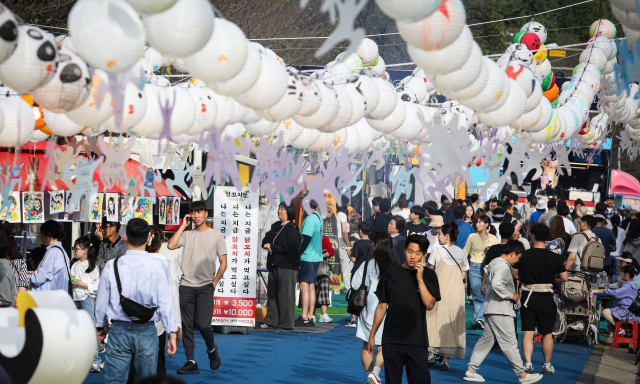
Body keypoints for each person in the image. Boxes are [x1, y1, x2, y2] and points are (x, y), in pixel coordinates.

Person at [95, 218, 178, 383]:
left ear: (125, 237)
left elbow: (101, 300)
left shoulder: (112, 265)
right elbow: (166, 303)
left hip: (118, 329)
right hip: (147, 330)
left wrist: (99, 325)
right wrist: (172, 332)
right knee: (146, 380)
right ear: (148, 238)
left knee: (114, 381)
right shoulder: (157, 267)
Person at [464, 240, 543, 384]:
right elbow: (496, 284)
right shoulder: (503, 266)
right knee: (510, 343)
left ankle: (471, 370)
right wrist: (511, 295)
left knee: (486, 341)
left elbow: (492, 281)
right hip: (501, 310)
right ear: (513, 254)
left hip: (493, 308)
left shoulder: (494, 262)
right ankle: (522, 374)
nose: (517, 261)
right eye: (518, 257)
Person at [368, 234, 441, 384]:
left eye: (418, 252)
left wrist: (420, 279)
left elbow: (430, 305)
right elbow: (381, 307)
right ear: (404, 250)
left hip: (417, 339)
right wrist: (372, 335)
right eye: (409, 251)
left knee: (421, 380)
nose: (413, 256)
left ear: (424, 254)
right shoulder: (390, 274)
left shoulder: (429, 275)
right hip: (392, 338)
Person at [167, 200, 227, 373]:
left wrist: (213, 283)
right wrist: (182, 226)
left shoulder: (216, 236)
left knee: (204, 325)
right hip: (186, 285)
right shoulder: (187, 235)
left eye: (199, 212)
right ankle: (191, 362)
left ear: (206, 214)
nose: (195, 216)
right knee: (187, 326)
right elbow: (171, 245)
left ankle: (212, 349)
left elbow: (224, 263)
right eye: (192, 212)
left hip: (205, 287)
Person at [517, 223, 568, 376]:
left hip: (528, 296)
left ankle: (527, 364)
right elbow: (564, 277)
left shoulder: (524, 255)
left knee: (528, 332)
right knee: (547, 333)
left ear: (532, 236)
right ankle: (547, 365)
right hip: (546, 296)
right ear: (547, 238)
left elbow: (515, 274)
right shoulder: (554, 256)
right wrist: (550, 279)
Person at [353, 232, 400, 384]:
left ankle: (370, 376)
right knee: (384, 346)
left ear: (375, 246)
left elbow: (354, 284)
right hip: (388, 309)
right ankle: (375, 373)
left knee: (367, 346)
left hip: (367, 308)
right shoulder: (396, 266)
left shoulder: (367, 264)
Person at [426, 222, 468, 371]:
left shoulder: (437, 251)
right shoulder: (461, 252)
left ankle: (431, 353)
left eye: (440, 234)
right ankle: (446, 359)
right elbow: (463, 273)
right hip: (456, 293)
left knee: (434, 320)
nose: (438, 237)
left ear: (447, 236)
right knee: (452, 323)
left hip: (440, 291)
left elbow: (429, 269)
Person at [144, 226, 182, 378]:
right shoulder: (165, 263)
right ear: (160, 243)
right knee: (158, 359)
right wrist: (176, 324)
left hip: (129, 320)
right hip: (156, 320)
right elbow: (173, 295)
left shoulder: (125, 261)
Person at [257, 202, 301, 330]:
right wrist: (268, 246)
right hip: (274, 264)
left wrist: (274, 248)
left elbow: (293, 246)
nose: (279, 211)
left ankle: (286, 323)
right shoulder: (275, 226)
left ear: (289, 212)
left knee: (285, 295)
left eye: (282, 209)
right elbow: (265, 240)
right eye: (279, 209)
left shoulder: (292, 228)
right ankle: (271, 320)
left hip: (287, 266)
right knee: (272, 295)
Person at [70, 236, 102, 373]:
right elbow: (72, 279)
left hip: (87, 299)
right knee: (78, 330)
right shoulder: (75, 264)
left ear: (85, 251)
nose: (74, 251)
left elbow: (96, 286)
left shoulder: (93, 266)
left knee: (90, 329)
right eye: (74, 249)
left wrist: (82, 284)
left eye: (76, 249)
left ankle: (95, 360)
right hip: (76, 298)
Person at [464, 215, 499, 329]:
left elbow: (497, 254)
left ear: (486, 224)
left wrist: (490, 251)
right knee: (477, 293)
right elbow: (465, 252)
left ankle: (485, 319)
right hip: (474, 266)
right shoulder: (472, 236)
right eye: (476, 222)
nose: (477, 224)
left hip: (488, 268)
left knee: (487, 294)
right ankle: (479, 319)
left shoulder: (493, 238)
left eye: (480, 222)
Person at [293, 200, 324, 327]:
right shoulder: (318, 217)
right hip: (316, 256)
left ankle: (304, 315)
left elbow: (306, 238)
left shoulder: (310, 218)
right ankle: (310, 316)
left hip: (307, 256)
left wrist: (298, 253)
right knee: (311, 287)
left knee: (304, 286)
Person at [30, 220, 69, 292]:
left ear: (48, 234)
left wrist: (27, 277)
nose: (41, 238)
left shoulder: (53, 252)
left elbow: (39, 278)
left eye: (40, 234)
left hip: (50, 298)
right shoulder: (61, 251)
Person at [602, 265, 640, 335]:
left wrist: (606, 290)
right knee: (610, 326)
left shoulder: (628, 285)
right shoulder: (630, 284)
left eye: (622, 273)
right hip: (627, 309)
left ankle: (621, 329)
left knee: (605, 312)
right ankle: (625, 337)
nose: (621, 275)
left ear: (627, 274)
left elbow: (617, 293)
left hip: (626, 310)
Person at [481, 222, 515, 296]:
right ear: (512, 234)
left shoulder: (493, 249)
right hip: (510, 285)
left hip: (493, 284)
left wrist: (483, 284)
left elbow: (486, 268)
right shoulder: (514, 250)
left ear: (499, 232)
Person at [315, 235, 334, 323]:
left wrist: (321, 254)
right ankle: (311, 314)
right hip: (310, 265)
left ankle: (324, 314)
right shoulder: (307, 237)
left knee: (324, 291)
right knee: (311, 291)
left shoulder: (323, 238)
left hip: (323, 267)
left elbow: (331, 251)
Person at [336, 200, 352, 292]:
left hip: (334, 240)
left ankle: (336, 288)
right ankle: (348, 287)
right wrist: (348, 244)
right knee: (345, 264)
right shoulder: (342, 215)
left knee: (336, 264)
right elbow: (344, 231)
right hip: (342, 240)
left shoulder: (334, 215)